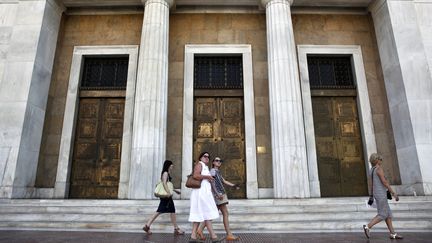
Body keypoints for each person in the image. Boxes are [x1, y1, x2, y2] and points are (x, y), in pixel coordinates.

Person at [197, 157, 240, 241]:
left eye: (220, 161)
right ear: (213, 162)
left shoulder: (217, 172)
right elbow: (212, 182)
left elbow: (224, 181)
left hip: (220, 194)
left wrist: (234, 185)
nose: (219, 162)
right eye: (217, 160)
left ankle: (199, 230)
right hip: (219, 195)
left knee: (212, 214)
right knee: (225, 213)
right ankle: (229, 234)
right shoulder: (213, 171)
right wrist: (217, 194)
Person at [363, 153, 403, 239]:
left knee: (388, 214)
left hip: (377, 193)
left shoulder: (371, 170)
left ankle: (393, 233)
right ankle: (368, 226)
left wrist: (371, 194)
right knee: (383, 214)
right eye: (380, 159)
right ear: (377, 160)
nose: (381, 161)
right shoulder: (379, 169)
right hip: (381, 194)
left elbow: (370, 184)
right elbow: (384, 182)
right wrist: (393, 193)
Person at [142, 160, 184, 235]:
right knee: (167, 211)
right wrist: (168, 193)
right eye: (171, 165)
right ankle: (176, 229)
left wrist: (174, 191)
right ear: (168, 165)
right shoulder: (165, 173)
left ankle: (147, 226)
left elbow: (167, 184)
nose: (172, 166)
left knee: (165, 211)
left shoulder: (166, 173)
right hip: (166, 196)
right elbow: (164, 183)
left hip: (167, 196)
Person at [188, 152, 222, 243]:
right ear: (200, 157)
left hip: (204, 193)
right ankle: (213, 236)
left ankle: (193, 237)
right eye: (205, 156)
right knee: (207, 214)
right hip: (200, 194)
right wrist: (207, 176)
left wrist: (216, 193)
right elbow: (195, 175)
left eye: (208, 156)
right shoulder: (199, 164)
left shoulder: (205, 166)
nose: (207, 157)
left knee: (200, 214)